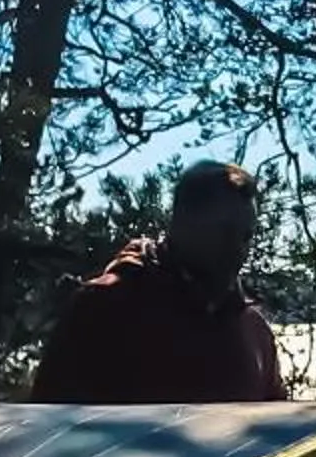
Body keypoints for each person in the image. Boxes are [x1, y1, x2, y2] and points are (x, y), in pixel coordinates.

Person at [31, 161, 286, 405]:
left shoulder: (254, 330)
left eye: (246, 236)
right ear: (181, 223)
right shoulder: (104, 308)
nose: (238, 248)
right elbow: (48, 428)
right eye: (225, 231)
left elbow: (278, 435)